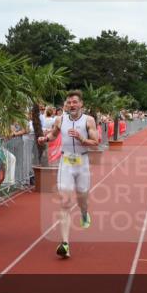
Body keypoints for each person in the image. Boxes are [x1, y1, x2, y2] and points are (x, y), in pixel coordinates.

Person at [37, 90, 99, 259]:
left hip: (82, 162)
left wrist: (82, 139)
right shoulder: (60, 119)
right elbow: (54, 134)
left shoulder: (88, 120)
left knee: (82, 198)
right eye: (69, 102)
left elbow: (96, 142)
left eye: (75, 102)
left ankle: (84, 213)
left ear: (81, 104)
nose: (72, 105)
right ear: (66, 104)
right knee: (65, 201)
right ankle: (65, 244)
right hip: (66, 162)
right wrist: (45, 139)